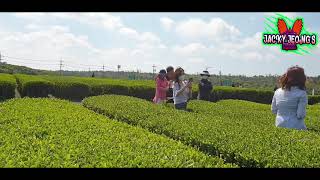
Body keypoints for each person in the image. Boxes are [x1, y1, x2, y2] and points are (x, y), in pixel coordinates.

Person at [271, 66, 308, 130]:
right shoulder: (302, 93)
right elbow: (300, 115)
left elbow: (273, 110)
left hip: (279, 125)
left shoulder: (277, 91)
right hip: (296, 127)